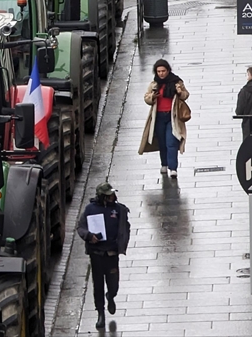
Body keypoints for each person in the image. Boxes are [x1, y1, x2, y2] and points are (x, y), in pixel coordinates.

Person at [75, 183, 130, 331]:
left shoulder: (118, 209)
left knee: (113, 283)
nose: (112, 197)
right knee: (97, 284)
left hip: (111, 254)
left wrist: (121, 243)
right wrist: (89, 236)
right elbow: (80, 227)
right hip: (96, 254)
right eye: (108, 195)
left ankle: (111, 296)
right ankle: (100, 312)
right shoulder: (90, 209)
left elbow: (125, 227)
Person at [139, 59, 189, 179]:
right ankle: (164, 164)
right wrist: (152, 96)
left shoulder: (176, 81)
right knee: (162, 142)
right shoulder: (154, 84)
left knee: (171, 142)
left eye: (163, 71)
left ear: (168, 70)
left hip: (172, 116)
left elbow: (185, 95)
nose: (161, 73)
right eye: (159, 71)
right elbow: (146, 98)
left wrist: (179, 92)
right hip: (159, 117)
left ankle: (173, 168)